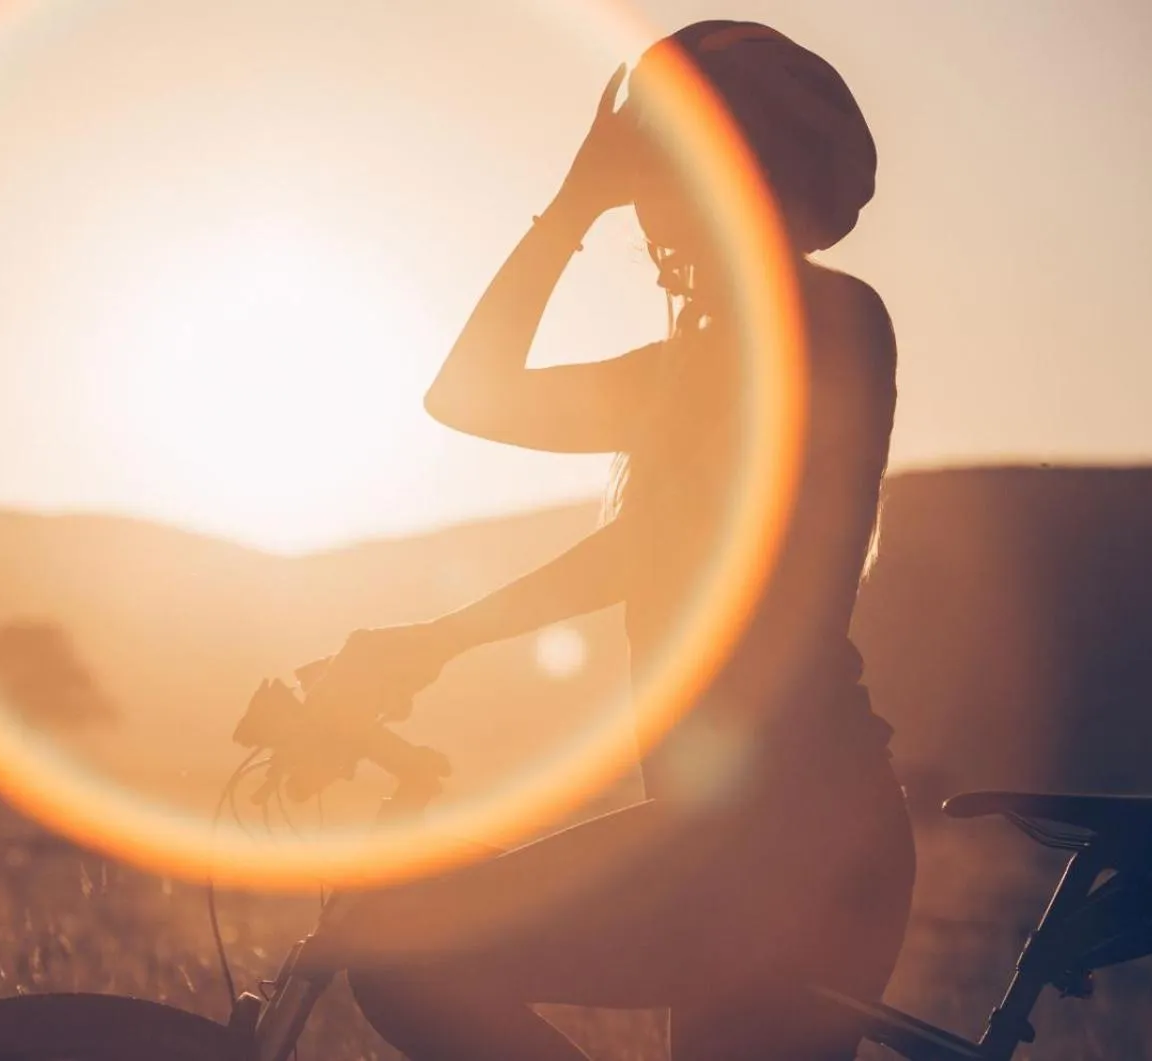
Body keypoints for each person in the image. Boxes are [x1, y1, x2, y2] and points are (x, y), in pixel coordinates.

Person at [300, 21, 914, 1061]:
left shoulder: (828, 323)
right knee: (403, 940)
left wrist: (436, 639)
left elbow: (660, 550)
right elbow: (466, 394)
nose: (646, 199)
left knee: (405, 943)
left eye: (662, 168)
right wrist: (433, 639)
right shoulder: (684, 366)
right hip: (735, 837)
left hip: (786, 841)